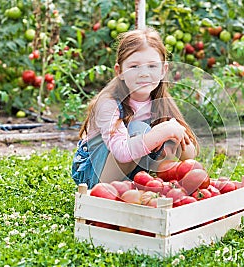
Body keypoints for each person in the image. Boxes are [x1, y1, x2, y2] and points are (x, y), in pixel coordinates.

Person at [71, 27, 199, 189]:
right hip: (96, 174)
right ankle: (113, 191)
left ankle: (147, 184)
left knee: (170, 134)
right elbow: (122, 152)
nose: (144, 73)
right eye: (134, 66)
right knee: (140, 129)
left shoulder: (160, 101)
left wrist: (174, 134)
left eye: (152, 66)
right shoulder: (108, 103)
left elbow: (190, 154)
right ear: (120, 71)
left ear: (163, 70)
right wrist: (161, 132)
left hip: (133, 173)